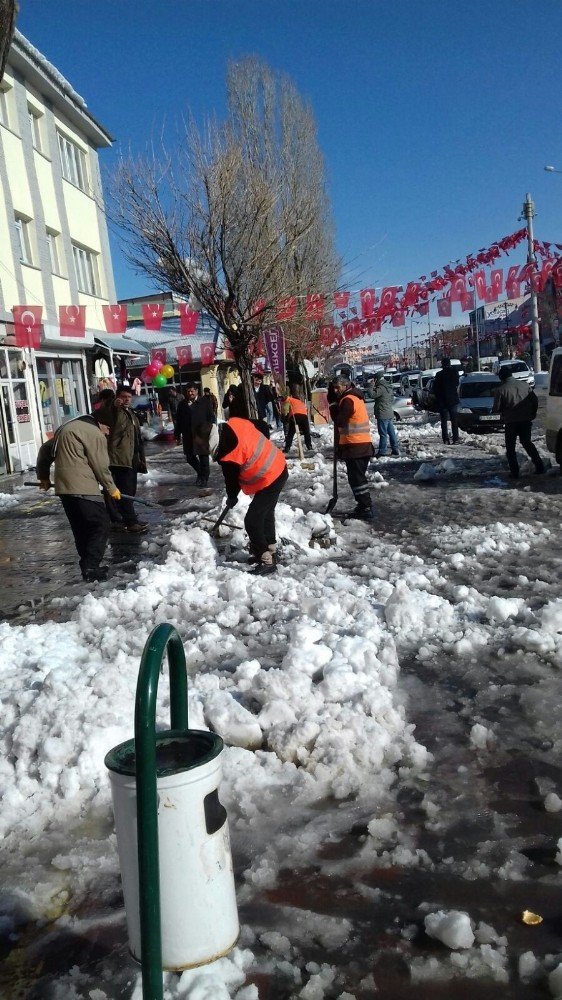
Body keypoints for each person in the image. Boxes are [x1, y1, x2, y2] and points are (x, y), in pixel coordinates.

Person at [36, 415, 120, 582]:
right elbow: (100, 465)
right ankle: (91, 566)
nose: (108, 433)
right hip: (84, 487)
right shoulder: (94, 433)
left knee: (80, 528)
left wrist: (43, 476)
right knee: (100, 525)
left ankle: (87, 566)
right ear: (101, 423)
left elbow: (45, 451)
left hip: (64, 489)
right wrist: (111, 487)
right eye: (108, 429)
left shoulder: (66, 428)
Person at [215, 404, 288, 572]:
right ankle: (270, 550)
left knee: (252, 521)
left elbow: (231, 481)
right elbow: (261, 425)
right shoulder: (235, 423)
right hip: (277, 467)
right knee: (265, 513)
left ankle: (266, 560)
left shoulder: (228, 456)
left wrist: (232, 496)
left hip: (272, 474)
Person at [95, 385, 148, 533]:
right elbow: (102, 416)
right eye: (123, 397)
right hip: (118, 459)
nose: (126, 400)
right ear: (117, 397)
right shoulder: (112, 411)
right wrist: (113, 405)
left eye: (129, 397)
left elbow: (136, 437)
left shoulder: (130, 412)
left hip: (131, 458)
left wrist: (141, 457)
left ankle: (127, 518)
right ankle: (128, 521)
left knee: (130, 491)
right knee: (123, 491)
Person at [329, 376, 375, 520]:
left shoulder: (348, 400)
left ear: (345, 386)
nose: (336, 391)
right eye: (334, 388)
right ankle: (364, 505)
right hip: (361, 445)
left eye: (338, 388)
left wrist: (332, 406)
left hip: (355, 446)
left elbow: (340, 421)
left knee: (356, 479)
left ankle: (365, 506)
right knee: (357, 477)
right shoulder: (355, 397)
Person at [492, 368, 544, 478]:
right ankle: (540, 466)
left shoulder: (501, 390)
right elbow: (534, 400)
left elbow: (496, 408)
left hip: (511, 422)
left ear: (501, 378)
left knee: (510, 448)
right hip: (525, 420)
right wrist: (532, 413)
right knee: (527, 443)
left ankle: (514, 472)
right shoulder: (525, 385)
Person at [175, 385, 216, 487]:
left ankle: (204, 479)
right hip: (188, 434)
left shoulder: (204, 402)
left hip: (201, 434)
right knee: (190, 457)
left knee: (203, 457)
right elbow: (178, 421)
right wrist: (177, 434)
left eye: (192, 391)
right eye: (188, 391)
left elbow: (211, 417)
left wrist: (208, 429)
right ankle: (200, 473)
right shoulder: (182, 404)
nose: (190, 393)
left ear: (196, 391)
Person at [371, 372, 400, 457]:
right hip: (389, 412)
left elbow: (372, 395)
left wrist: (371, 386)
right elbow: (391, 399)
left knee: (383, 433)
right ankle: (395, 449)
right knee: (391, 433)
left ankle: (382, 451)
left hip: (382, 413)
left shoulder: (381, 388)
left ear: (376, 379)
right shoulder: (388, 386)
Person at [433, 357, 460, 444]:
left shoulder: (439, 374)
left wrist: (438, 398)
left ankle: (445, 439)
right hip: (453, 400)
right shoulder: (454, 373)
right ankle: (455, 438)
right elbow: (457, 383)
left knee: (444, 421)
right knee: (454, 420)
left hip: (443, 401)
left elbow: (435, 389)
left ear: (442, 364)